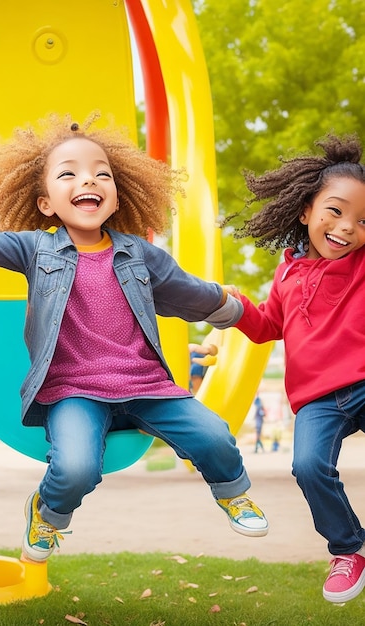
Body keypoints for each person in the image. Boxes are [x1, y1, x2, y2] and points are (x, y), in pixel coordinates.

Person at [0, 113, 269, 563]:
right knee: (76, 468)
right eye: (68, 173)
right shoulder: (36, 248)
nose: (87, 180)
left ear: (116, 197)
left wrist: (236, 310)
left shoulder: (140, 254)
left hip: (145, 385)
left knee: (213, 434)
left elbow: (188, 291)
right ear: (47, 203)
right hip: (74, 391)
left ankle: (234, 493)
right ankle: (49, 513)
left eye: (101, 173)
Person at [224, 133, 365, 603]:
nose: (347, 228)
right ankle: (348, 549)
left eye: (363, 221)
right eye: (336, 211)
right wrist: (229, 304)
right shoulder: (286, 272)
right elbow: (268, 325)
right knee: (307, 465)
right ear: (306, 210)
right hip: (318, 399)